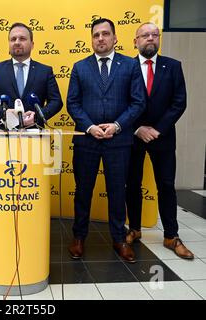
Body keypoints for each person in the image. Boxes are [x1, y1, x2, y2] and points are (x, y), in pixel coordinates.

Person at [66, 18, 145, 263]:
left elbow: (138, 102)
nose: (100, 38)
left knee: (117, 191)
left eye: (105, 34)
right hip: (87, 141)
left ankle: (119, 239)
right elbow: (73, 103)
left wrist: (117, 126)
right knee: (83, 191)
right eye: (96, 35)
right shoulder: (80, 67)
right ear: (91, 39)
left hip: (118, 141)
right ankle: (79, 237)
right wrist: (89, 127)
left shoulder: (130, 66)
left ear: (115, 38)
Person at [125, 22, 194, 259]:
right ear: (136, 41)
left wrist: (157, 129)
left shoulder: (173, 66)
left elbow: (179, 102)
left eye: (155, 35)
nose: (150, 39)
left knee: (166, 186)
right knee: (132, 183)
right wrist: (137, 128)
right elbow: (120, 102)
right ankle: (134, 228)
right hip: (133, 136)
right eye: (145, 35)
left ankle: (171, 236)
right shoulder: (126, 67)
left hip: (162, 137)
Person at [0, 22, 62, 128]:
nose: (17, 42)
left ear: (32, 44)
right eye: (13, 39)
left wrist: (37, 116)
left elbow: (56, 102)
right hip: (3, 132)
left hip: (34, 131)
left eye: (22, 38)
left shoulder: (45, 71)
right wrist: (3, 113)